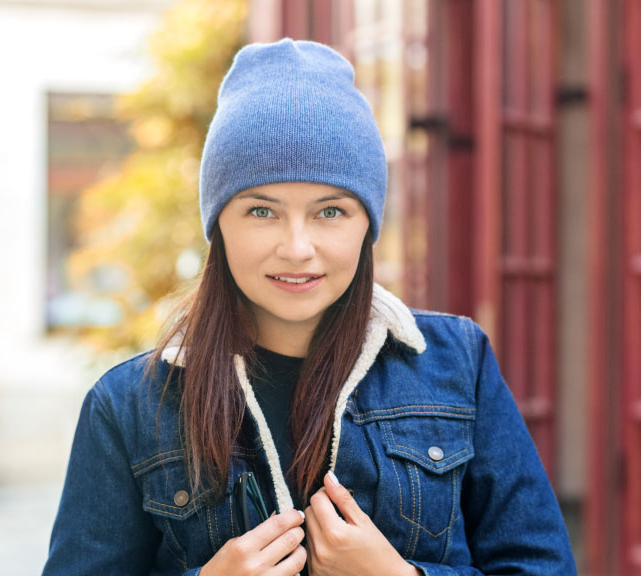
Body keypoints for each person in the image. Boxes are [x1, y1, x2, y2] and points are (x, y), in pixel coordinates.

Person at [42, 38, 576, 576]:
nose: (297, 248)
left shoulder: (457, 364)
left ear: (368, 224)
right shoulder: (130, 404)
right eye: (261, 211)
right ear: (218, 225)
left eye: (330, 212)